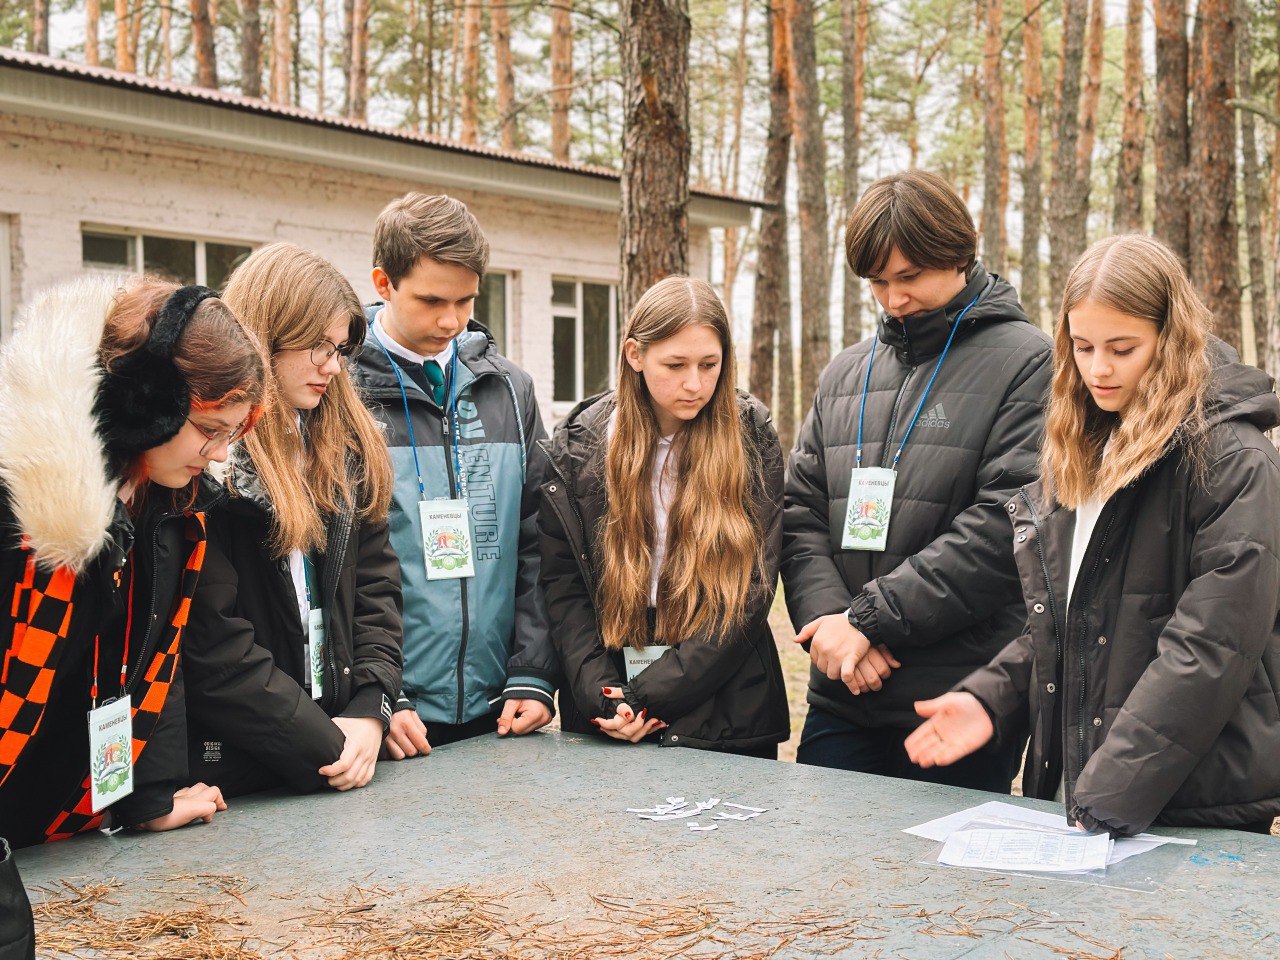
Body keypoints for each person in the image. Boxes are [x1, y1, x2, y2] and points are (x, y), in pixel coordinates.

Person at [907, 234, 1280, 837]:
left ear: (1171, 338)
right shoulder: (1083, 448)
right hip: (1091, 796)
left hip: (1196, 805)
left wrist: (1111, 792)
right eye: (1083, 347)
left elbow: (1211, 646)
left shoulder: (1236, 462)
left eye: (1123, 348)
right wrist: (990, 697)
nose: (1099, 369)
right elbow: (1076, 619)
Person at [783, 169, 1050, 789]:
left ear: (958, 255)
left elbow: (1002, 526)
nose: (893, 298)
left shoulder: (1029, 361)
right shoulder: (845, 373)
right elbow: (799, 513)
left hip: (954, 699)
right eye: (878, 281)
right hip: (843, 693)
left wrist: (868, 620)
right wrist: (832, 624)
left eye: (910, 278)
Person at [0, 274, 265, 849]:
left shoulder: (168, 499)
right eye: (208, 430)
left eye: (231, 435)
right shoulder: (21, 511)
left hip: (59, 834)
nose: (220, 454)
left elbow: (152, 661)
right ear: (145, 400)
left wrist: (149, 796)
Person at [181, 243, 403, 797]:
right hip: (240, 773)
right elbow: (216, 646)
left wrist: (371, 706)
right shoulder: (208, 464)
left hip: (335, 739)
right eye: (316, 346)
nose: (332, 365)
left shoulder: (347, 444)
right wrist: (328, 746)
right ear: (264, 334)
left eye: (339, 348)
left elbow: (377, 585)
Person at [540, 276, 789, 756]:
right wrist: (607, 699)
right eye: (675, 365)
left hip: (724, 712)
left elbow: (750, 593)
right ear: (635, 356)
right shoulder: (579, 445)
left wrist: (651, 696)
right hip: (608, 706)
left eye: (709, 364)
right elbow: (565, 587)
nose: (694, 384)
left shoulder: (751, 437)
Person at [352, 193, 556, 755]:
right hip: (392, 720)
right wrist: (374, 696)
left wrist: (533, 672)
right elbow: (338, 569)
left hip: (502, 710)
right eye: (431, 300)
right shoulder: (338, 390)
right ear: (383, 282)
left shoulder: (510, 389)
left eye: (466, 300)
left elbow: (540, 540)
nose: (451, 320)